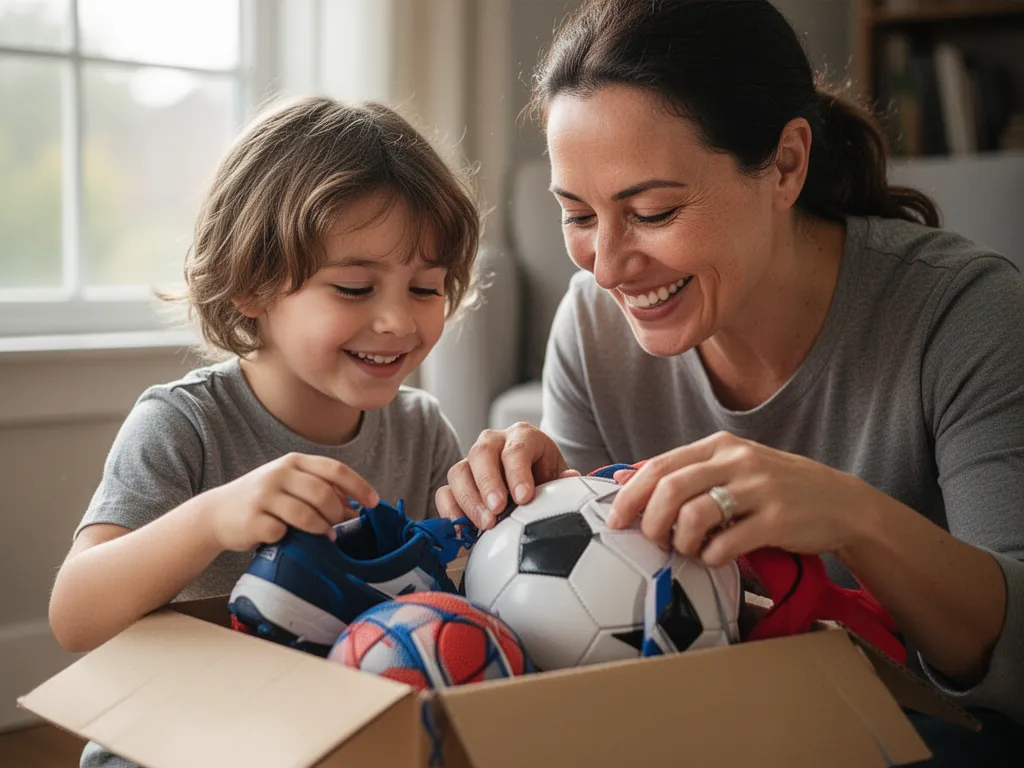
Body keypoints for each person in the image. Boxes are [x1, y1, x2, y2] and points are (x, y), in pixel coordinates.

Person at [435, 0, 1023, 763]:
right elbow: (588, 619)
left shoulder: (964, 314)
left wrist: (852, 517)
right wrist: (527, 508)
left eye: (652, 211)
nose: (607, 267)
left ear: (785, 165)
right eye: (577, 214)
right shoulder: (591, 323)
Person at [48, 96, 480, 768]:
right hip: (178, 742)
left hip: (334, 738)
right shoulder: (183, 425)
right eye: (355, 288)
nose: (399, 321)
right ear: (252, 286)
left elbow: (460, 593)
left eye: (425, 289)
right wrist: (214, 519)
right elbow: (74, 616)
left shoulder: (422, 429)